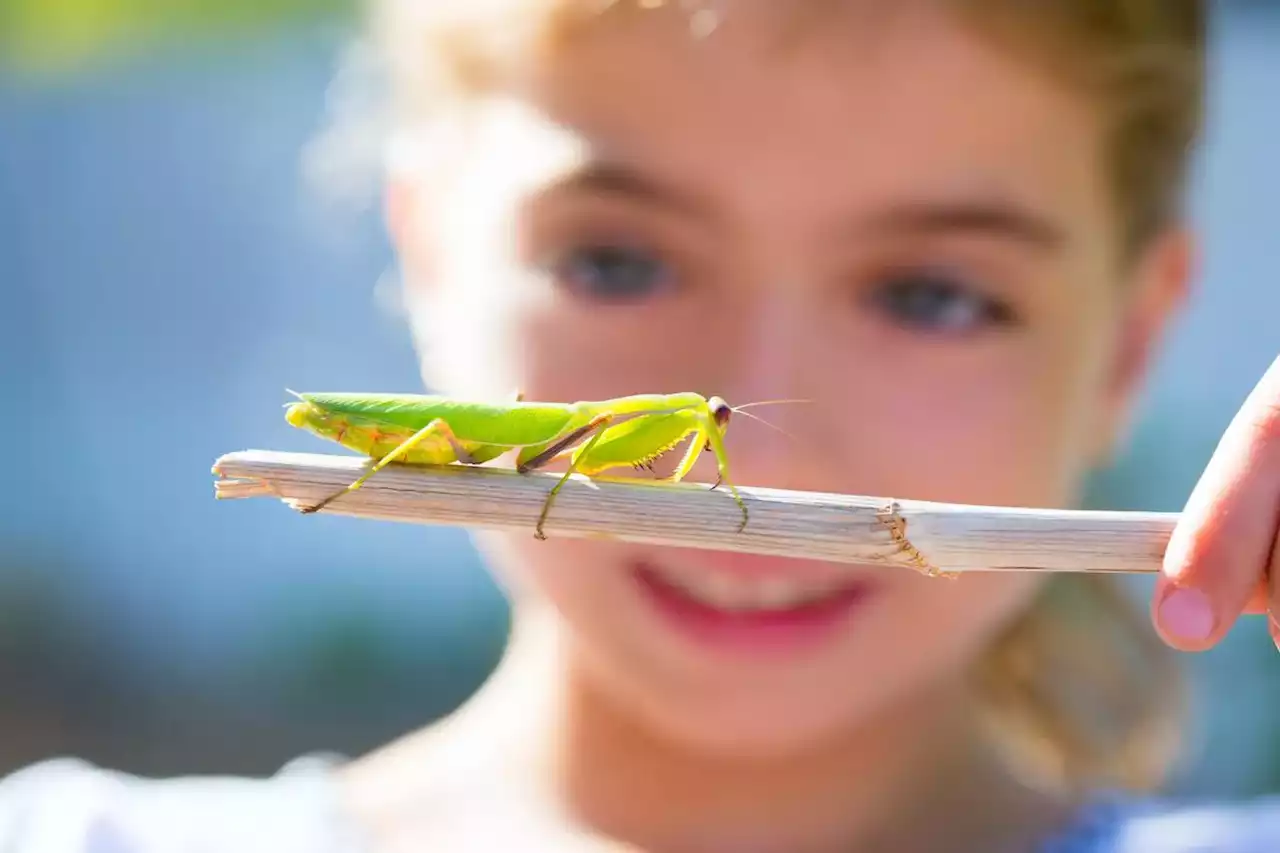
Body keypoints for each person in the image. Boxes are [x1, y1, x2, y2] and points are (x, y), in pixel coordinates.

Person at [3, 1, 1280, 850]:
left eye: (931, 294)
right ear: (430, 260)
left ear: (1128, 343)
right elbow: (551, 465)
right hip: (422, 436)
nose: (764, 453)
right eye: (614, 263)